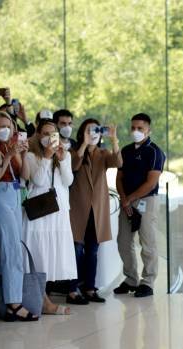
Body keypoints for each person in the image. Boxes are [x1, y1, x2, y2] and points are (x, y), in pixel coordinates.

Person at [0, 110, 37, 322]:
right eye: (0, 126)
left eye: (8, 126)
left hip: (15, 195)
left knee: (9, 248)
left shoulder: (14, 145)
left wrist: (21, 155)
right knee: (11, 249)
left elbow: (25, 176)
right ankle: (14, 303)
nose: (5, 130)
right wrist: (6, 157)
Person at [22, 120, 76, 315]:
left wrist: (61, 160)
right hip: (38, 212)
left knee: (51, 255)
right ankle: (43, 302)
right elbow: (37, 180)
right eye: (44, 133)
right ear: (37, 134)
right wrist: (46, 157)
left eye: (52, 134)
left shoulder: (66, 154)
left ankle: (42, 300)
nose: (48, 138)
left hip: (58, 211)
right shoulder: (30, 155)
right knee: (38, 255)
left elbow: (68, 181)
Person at [67, 119, 121, 304]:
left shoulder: (103, 153)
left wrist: (114, 140)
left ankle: (89, 287)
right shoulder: (74, 152)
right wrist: (84, 143)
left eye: (96, 131)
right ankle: (72, 289)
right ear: (82, 133)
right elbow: (73, 165)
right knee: (76, 250)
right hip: (78, 209)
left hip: (97, 209)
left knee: (92, 251)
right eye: (89, 131)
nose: (93, 134)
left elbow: (118, 162)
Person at [114, 113, 165, 298]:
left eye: (140, 128)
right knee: (123, 242)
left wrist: (130, 199)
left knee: (147, 242)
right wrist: (124, 198)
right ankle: (130, 279)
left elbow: (151, 182)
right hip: (126, 200)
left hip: (146, 201)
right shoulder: (126, 151)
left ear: (148, 130)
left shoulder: (154, 152)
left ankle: (148, 282)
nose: (135, 131)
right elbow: (119, 177)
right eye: (133, 128)